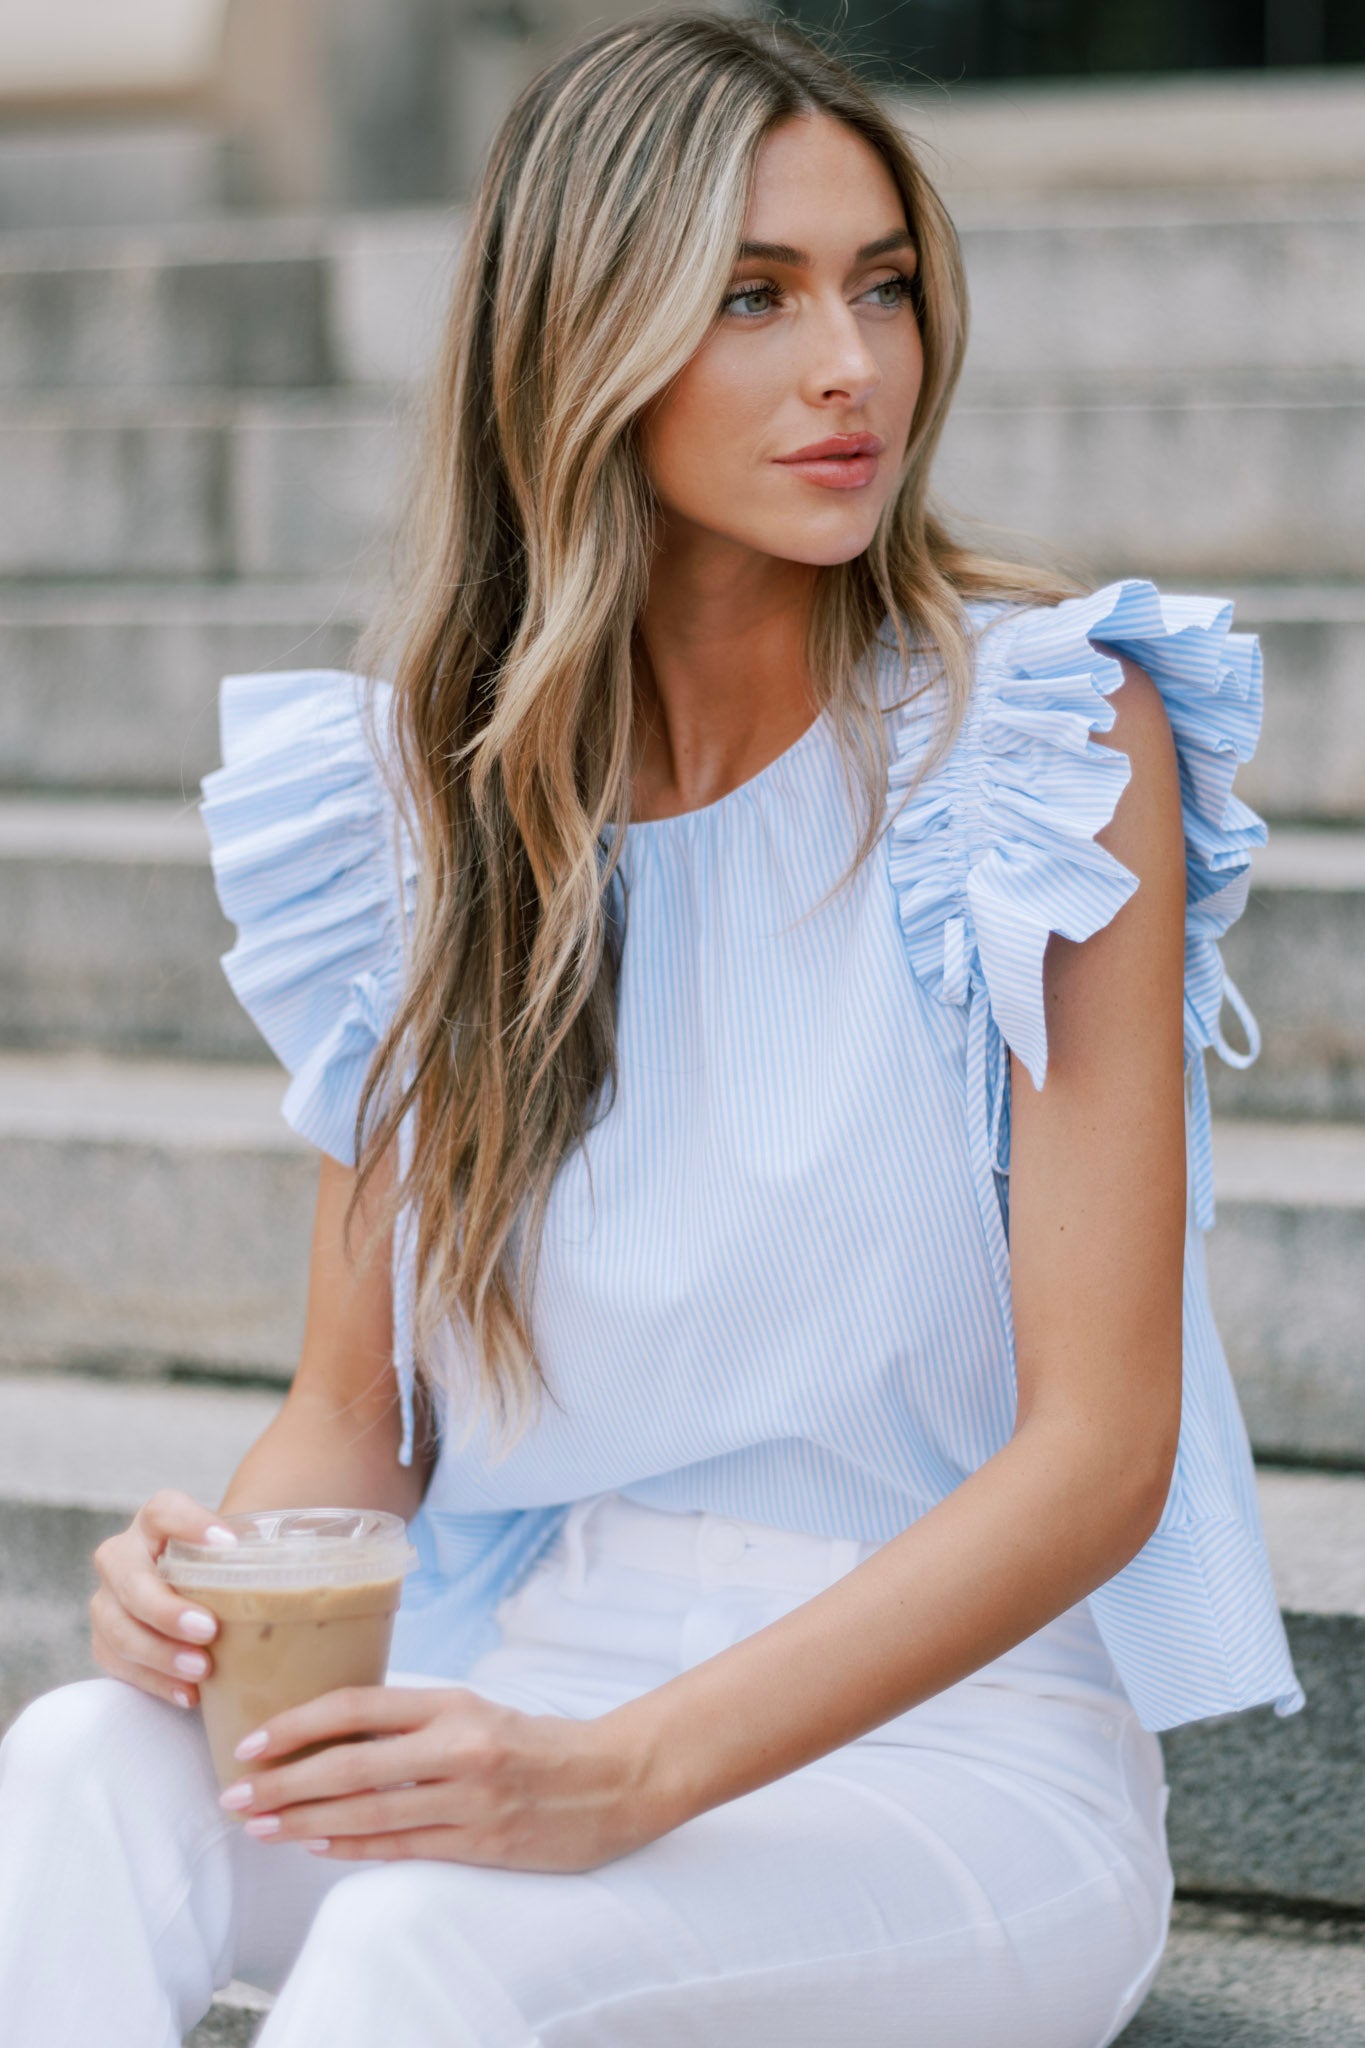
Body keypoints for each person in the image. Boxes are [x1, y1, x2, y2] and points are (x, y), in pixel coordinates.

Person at [0, 10, 1303, 2046]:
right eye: (750, 298)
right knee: (78, 1759)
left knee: (424, 1948)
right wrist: (220, 1590)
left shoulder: (1040, 743)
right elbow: (357, 1412)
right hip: (532, 1662)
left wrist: (618, 1775)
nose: (849, 365)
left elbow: (1096, 1454)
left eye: (878, 285)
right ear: (579, 344)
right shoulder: (425, 812)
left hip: (948, 1755)